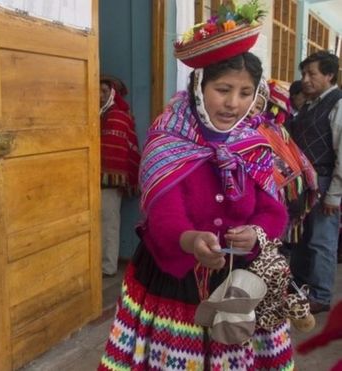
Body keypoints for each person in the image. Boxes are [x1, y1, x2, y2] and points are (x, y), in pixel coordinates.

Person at [99, 3, 292, 369]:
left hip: (241, 281)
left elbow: (274, 211)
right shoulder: (167, 141)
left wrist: (257, 233)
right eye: (223, 89)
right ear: (199, 86)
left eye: (245, 92)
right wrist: (191, 240)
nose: (233, 103)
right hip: (176, 280)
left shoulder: (254, 144)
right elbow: (163, 217)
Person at [288, 51, 342, 315]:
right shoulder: (310, 105)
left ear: (330, 75)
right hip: (303, 182)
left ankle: (320, 295)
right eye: (304, 74)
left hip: (323, 181)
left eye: (312, 74)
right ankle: (298, 287)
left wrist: (334, 195)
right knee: (300, 237)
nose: (305, 80)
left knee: (322, 240)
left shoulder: (338, 104)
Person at [248, 79, 317, 251]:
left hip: (277, 201)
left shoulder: (272, 129)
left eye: (258, 107)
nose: (251, 111)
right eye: (250, 103)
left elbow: (294, 159)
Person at [99, 75, 140, 276]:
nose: (99, 95)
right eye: (96, 91)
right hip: (90, 177)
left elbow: (120, 150)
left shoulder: (118, 116)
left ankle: (108, 267)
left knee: (109, 222)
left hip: (110, 180)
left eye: (104, 91)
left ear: (112, 93)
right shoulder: (95, 114)